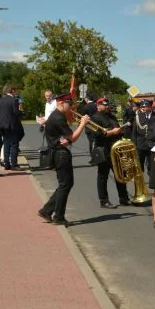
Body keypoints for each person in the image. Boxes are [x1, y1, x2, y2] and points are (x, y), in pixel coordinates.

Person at [37, 92, 89, 226]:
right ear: (61, 103)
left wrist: (67, 140)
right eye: (69, 104)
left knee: (65, 185)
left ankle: (47, 211)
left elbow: (65, 138)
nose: (71, 107)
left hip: (58, 152)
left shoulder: (56, 116)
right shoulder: (58, 118)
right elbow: (73, 137)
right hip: (61, 155)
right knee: (65, 185)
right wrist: (83, 124)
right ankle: (58, 216)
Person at [90, 97, 131, 208]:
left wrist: (121, 130)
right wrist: (113, 132)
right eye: (104, 104)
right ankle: (104, 200)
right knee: (103, 176)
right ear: (98, 105)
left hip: (115, 149)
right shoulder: (94, 118)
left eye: (107, 104)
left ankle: (123, 198)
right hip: (104, 150)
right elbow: (97, 135)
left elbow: (117, 128)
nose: (107, 106)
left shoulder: (112, 116)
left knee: (120, 174)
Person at [0, 85, 22, 170]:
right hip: (11, 125)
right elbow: (15, 113)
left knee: (6, 144)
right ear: (13, 91)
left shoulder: (0, 100)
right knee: (14, 145)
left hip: (2, 125)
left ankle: (6, 163)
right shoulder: (13, 100)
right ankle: (14, 164)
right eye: (15, 91)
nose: (16, 93)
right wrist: (21, 112)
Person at [132, 99, 153, 174]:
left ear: (150, 107)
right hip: (141, 143)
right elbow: (134, 131)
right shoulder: (137, 116)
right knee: (140, 163)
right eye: (142, 107)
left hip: (152, 143)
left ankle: (151, 179)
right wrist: (134, 143)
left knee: (151, 163)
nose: (143, 108)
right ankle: (141, 180)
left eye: (145, 107)